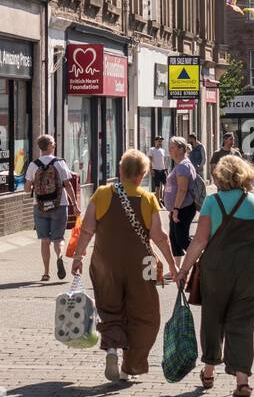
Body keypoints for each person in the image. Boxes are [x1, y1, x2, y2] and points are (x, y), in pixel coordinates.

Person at [71, 149, 178, 384]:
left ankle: (111, 350)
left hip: (105, 263)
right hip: (140, 265)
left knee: (110, 308)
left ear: (120, 170)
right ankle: (130, 366)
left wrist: (78, 257)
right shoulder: (148, 198)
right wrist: (173, 266)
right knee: (144, 314)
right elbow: (160, 237)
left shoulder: (101, 194)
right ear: (143, 174)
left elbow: (87, 229)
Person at [176, 154, 254, 397]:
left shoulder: (212, 202)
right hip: (249, 272)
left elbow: (199, 241)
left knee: (213, 318)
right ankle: (242, 380)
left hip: (216, 270)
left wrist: (184, 269)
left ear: (220, 177)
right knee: (242, 324)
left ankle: (209, 370)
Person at [25, 134, 79, 283]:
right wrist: (74, 204)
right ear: (50, 146)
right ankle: (60, 257)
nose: (54, 146)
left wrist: (36, 186)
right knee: (58, 238)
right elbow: (68, 185)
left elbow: (26, 188)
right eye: (53, 144)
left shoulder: (33, 165)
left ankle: (46, 273)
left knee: (44, 240)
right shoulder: (60, 163)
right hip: (59, 205)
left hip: (40, 206)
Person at [163, 136, 197, 257]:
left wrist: (176, 209)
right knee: (174, 240)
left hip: (183, 208)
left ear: (181, 149)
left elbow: (182, 189)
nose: (169, 150)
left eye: (172, 147)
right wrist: (173, 209)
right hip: (177, 208)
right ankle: (177, 270)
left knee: (183, 240)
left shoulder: (183, 166)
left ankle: (203, 259)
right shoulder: (180, 165)